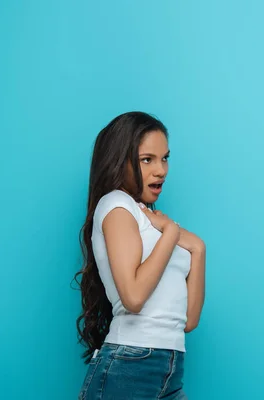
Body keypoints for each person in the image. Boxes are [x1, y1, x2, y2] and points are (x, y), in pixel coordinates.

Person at [74, 111, 206, 399]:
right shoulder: (118, 206)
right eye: (147, 159)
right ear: (120, 161)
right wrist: (171, 234)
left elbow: (189, 321)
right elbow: (133, 298)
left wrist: (198, 249)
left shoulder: (149, 218)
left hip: (169, 364)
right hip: (130, 364)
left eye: (165, 158)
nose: (161, 170)